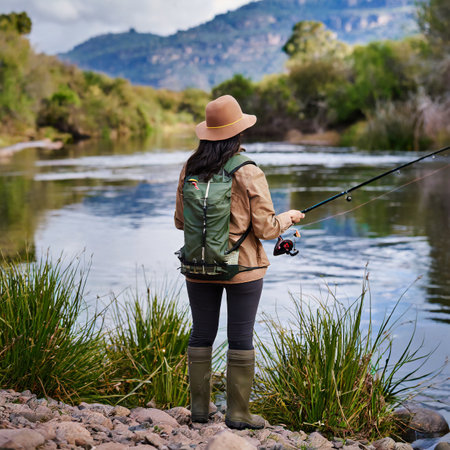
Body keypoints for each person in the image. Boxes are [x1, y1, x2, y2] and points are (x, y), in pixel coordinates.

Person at [174, 95, 304, 429]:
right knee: (241, 337)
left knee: (201, 333)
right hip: (241, 267)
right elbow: (266, 228)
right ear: (238, 134)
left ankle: (200, 411)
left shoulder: (190, 168)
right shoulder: (248, 171)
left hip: (198, 265)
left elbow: (180, 222)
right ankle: (238, 414)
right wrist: (290, 216)